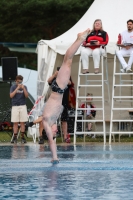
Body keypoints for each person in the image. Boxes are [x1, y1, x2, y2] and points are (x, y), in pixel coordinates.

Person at [42, 28, 90, 163]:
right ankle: (79, 40)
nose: (56, 132)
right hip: (59, 89)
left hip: (59, 89)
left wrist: (54, 157)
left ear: (49, 131)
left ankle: (79, 39)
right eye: (57, 132)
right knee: (67, 61)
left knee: (67, 60)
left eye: (54, 132)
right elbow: (52, 140)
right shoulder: (49, 121)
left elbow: (51, 142)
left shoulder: (47, 122)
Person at [47, 67, 71, 143]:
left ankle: (65, 136)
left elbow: (70, 83)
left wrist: (63, 75)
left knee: (64, 120)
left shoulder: (65, 77)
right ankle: (52, 135)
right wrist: (54, 75)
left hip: (63, 102)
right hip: (54, 102)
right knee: (52, 120)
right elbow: (49, 81)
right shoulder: (54, 79)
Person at [10, 75, 28, 143]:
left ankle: (23, 137)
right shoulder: (13, 87)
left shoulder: (25, 87)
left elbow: (26, 96)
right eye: (18, 81)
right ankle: (15, 137)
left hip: (22, 105)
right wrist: (17, 88)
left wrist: (23, 89)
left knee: (22, 122)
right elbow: (11, 96)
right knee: (15, 122)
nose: (19, 83)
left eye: (20, 81)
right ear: (15, 81)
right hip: (15, 106)